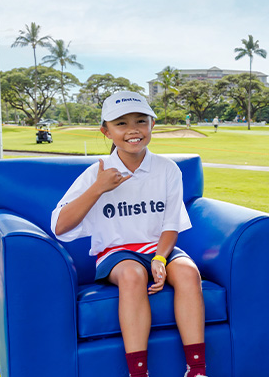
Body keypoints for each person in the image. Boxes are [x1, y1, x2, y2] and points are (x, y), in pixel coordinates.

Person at [51, 91, 207, 377]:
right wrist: (98, 188)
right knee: (133, 275)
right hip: (116, 252)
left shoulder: (167, 169)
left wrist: (160, 257)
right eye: (121, 123)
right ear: (106, 131)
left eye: (141, 121)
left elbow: (171, 223)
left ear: (152, 125)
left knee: (188, 272)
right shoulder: (97, 172)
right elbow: (60, 226)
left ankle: (196, 370)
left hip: (158, 247)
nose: (133, 130)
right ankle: (139, 373)